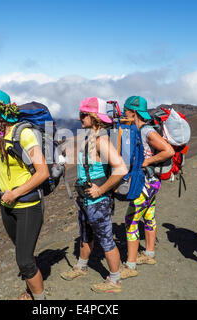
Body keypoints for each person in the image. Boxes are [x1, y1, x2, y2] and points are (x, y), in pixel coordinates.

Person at [0, 90, 50, 300]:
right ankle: (31, 290)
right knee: (23, 252)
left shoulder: (24, 134)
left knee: (25, 261)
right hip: (7, 206)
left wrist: (15, 192)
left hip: (27, 205)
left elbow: (43, 171)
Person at [60, 97, 128, 293]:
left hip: (97, 200)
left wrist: (101, 189)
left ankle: (114, 281)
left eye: (83, 114)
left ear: (94, 117)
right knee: (85, 234)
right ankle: (81, 267)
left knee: (106, 239)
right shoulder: (90, 138)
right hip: (86, 198)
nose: (79, 118)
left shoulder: (101, 140)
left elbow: (121, 168)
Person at [121, 96, 174, 279]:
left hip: (146, 182)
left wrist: (147, 161)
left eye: (126, 110)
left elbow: (169, 151)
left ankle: (130, 265)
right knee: (149, 215)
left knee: (131, 220)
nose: (123, 113)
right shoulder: (142, 129)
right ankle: (149, 254)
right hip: (152, 182)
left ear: (133, 112)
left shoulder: (147, 131)